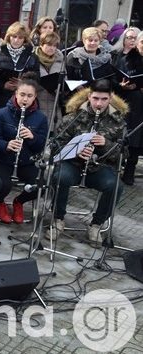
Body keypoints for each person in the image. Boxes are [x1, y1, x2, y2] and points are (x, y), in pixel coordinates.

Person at [50, 79, 126, 245]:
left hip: (99, 168)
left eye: (104, 99)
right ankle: (57, 219)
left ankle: (97, 224)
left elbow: (123, 154)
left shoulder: (118, 121)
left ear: (111, 97)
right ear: (89, 96)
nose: (99, 103)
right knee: (59, 177)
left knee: (115, 186)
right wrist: (76, 151)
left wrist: (106, 144)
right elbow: (56, 146)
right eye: (95, 98)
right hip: (73, 165)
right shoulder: (73, 116)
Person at [0, 75, 48, 224]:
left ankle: (19, 202)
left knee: (40, 185)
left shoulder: (41, 118)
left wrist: (32, 137)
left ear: (35, 97)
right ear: (15, 94)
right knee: (3, 184)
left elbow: (40, 145)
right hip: (2, 160)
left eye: (29, 96)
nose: (25, 99)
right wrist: (6, 145)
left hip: (25, 161)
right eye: (22, 94)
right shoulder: (0, 114)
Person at [0, 22, 39, 115]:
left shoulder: (31, 57)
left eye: (20, 38)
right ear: (8, 37)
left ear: (24, 40)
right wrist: (3, 85)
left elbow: (36, 79)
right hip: (0, 100)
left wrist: (22, 84)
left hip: (23, 102)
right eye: (14, 36)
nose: (16, 40)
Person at [114, 29, 143, 185]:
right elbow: (117, 80)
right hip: (132, 104)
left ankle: (131, 169)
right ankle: (122, 169)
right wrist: (123, 86)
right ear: (137, 43)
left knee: (139, 140)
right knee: (131, 137)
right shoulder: (127, 59)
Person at [35, 32, 64, 121]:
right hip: (37, 103)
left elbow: (64, 79)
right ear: (41, 44)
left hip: (54, 105)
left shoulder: (60, 60)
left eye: (55, 46)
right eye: (49, 45)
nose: (52, 48)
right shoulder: (33, 59)